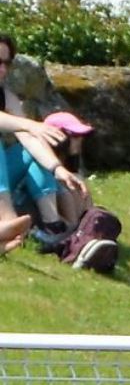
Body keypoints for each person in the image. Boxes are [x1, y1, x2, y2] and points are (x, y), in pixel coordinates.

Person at [0, 34, 87, 247]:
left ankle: (53, 227)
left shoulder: (6, 96)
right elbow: (23, 126)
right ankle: (7, 221)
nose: (2, 69)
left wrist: (59, 169)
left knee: (31, 150)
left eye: (6, 63)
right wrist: (29, 124)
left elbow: (28, 138)